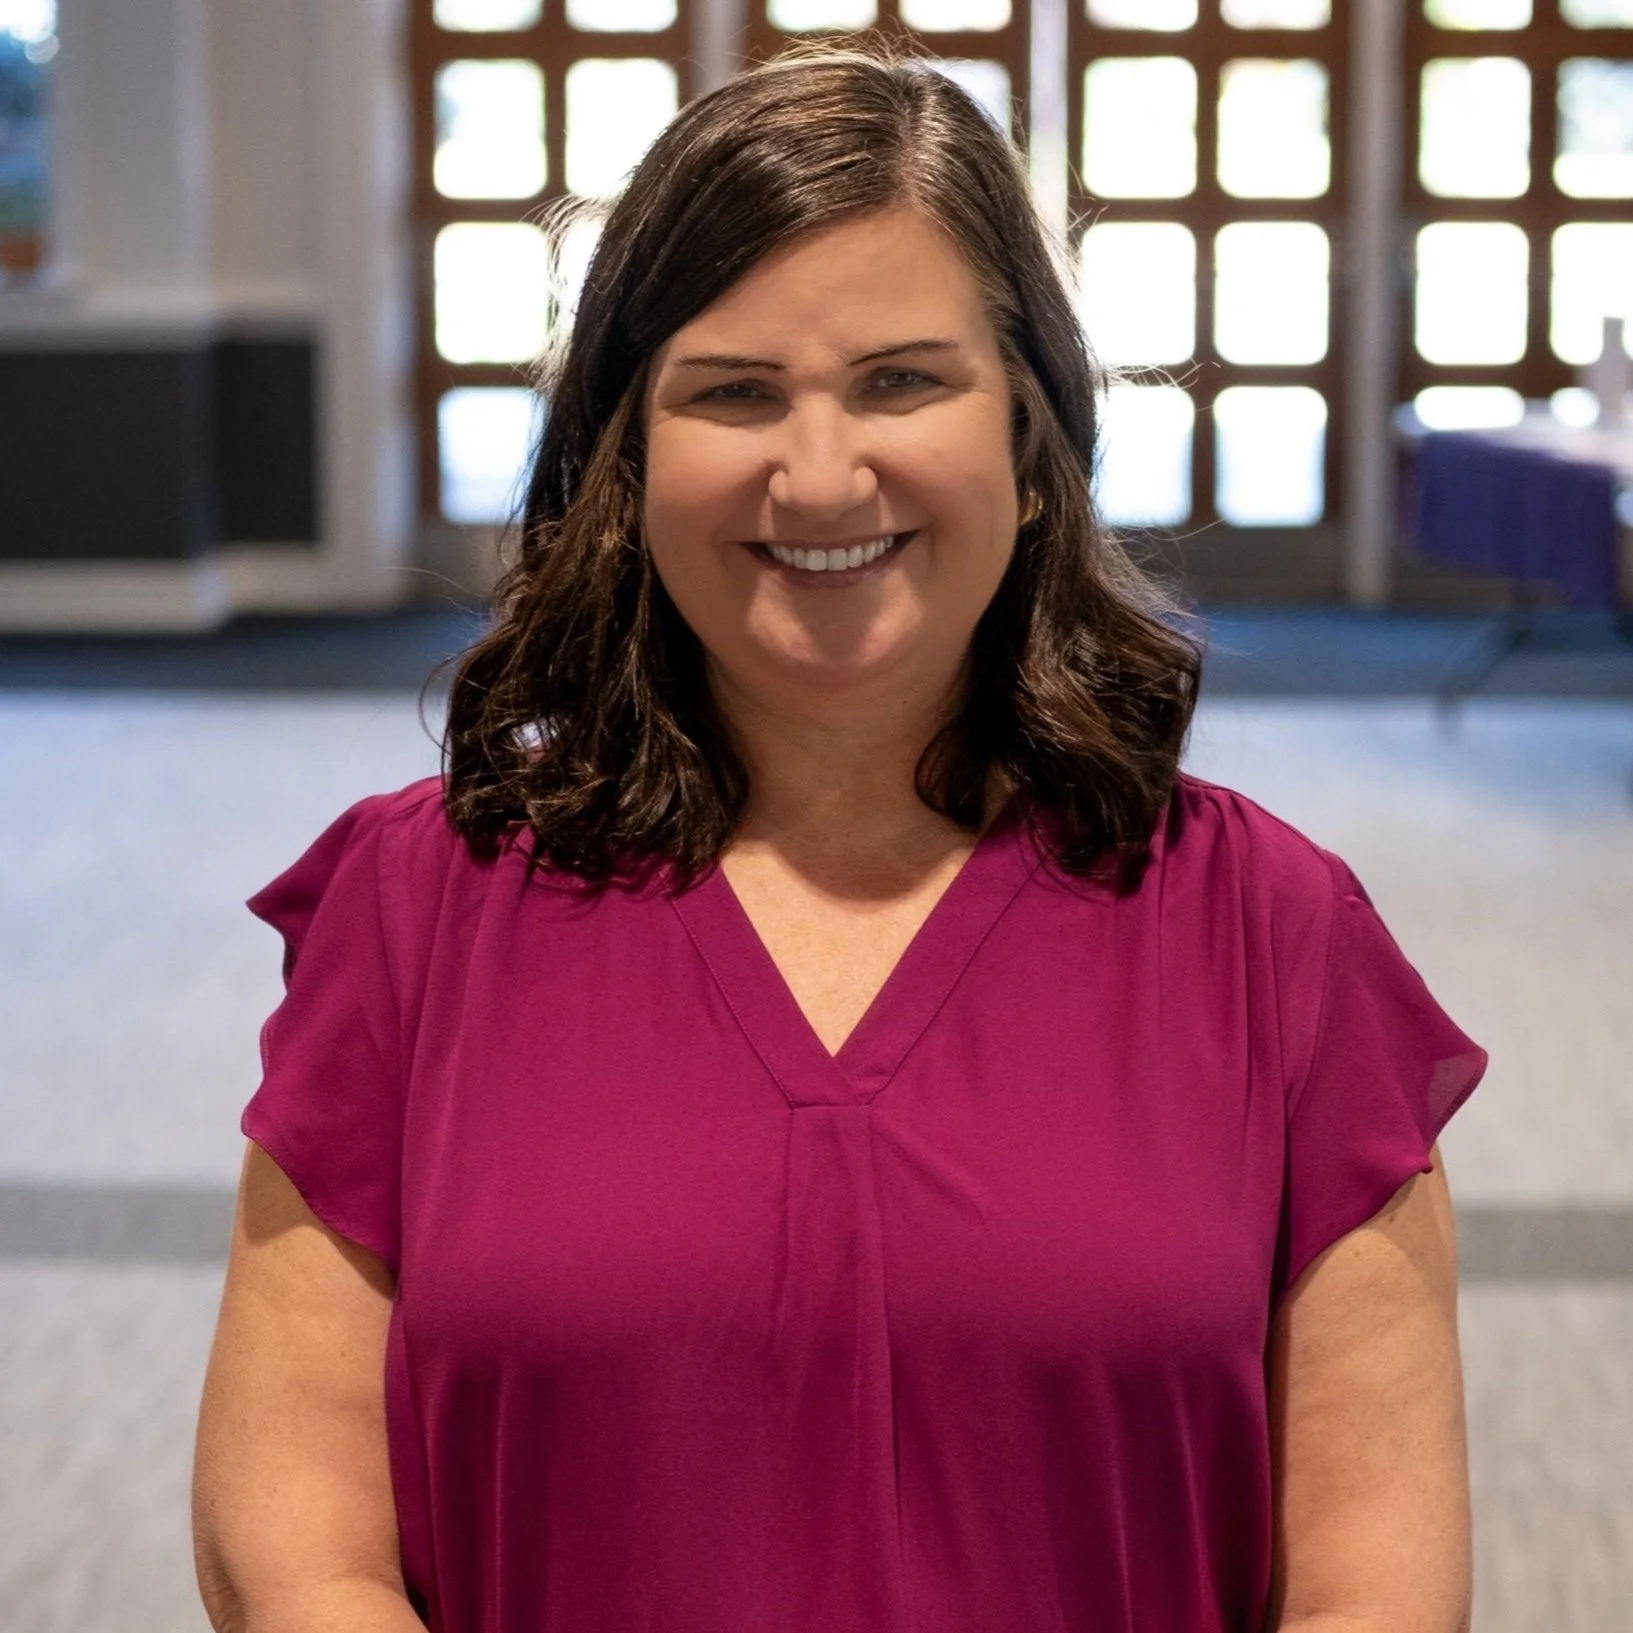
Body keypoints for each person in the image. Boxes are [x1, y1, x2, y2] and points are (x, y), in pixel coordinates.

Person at [192, 43, 1487, 1633]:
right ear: (626, 451)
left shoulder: (1272, 934)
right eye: (733, 392)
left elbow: (1379, 1588)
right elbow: (294, 1548)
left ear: (1027, 426)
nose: (819, 475)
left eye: (901, 380)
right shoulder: (417, 908)